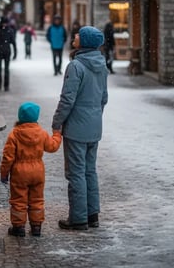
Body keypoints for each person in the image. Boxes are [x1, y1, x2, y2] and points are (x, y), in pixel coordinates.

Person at [52, 26, 108, 231]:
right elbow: (104, 98)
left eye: (78, 35)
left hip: (76, 127)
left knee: (75, 173)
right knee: (89, 171)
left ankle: (78, 218)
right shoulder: (102, 65)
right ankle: (92, 214)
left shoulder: (76, 66)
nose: (74, 36)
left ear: (84, 42)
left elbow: (67, 99)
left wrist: (57, 122)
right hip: (94, 125)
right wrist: (94, 116)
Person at [0, 101, 62, 237]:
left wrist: (4, 173)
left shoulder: (14, 134)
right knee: (37, 199)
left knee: (18, 200)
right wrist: (57, 135)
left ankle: (19, 227)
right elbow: (52, 147)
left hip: (19, 172)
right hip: (38, 171)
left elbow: (8, 157)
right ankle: (36, 227)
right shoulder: (42, 133)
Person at [0, 16, 17, 91]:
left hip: (7, 52)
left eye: (5, 23)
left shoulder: (10, 31)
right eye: (3, 23)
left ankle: (6, 86)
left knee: (6, 69)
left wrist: (15, 53)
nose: (4, 25)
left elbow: (13, 43)